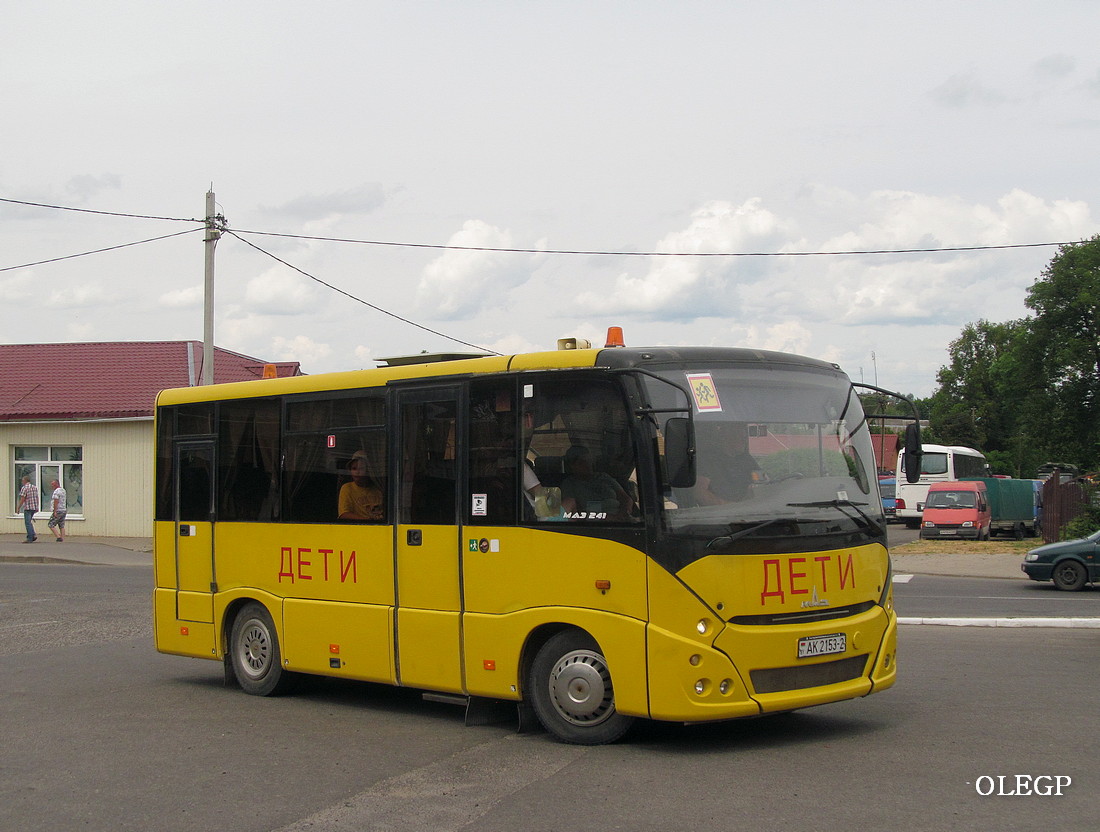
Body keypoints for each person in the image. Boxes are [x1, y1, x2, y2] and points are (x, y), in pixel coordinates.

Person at [693, 422, 764, 504]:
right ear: (725, 436)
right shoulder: (707, 460)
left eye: (744, 435)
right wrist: (729, 506)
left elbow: (761, 482)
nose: (744, 439)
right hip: (718, 514)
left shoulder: (747, 459)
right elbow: (700, 493)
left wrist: (754, 490)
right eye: (739, 434)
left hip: (751, 512)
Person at [560, 445, 634, 520]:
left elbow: (626, 499)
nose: (587, 464)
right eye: (582, 462)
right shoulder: (569, 484)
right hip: (594, 524)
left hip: (620, 521)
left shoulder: (604, 477)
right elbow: (575, 512)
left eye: (589, 460)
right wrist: (607, 518)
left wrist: (623, 513)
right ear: (572, 466)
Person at [338, 451, 383, 521]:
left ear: (368, 470)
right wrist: (367, 520)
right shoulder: (347, 488)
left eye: (361, 468)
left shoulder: (378, 488)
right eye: (354, 468)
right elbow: (344, 514)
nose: (357, 472)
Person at [16, 475, 39, 543]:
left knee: (27, 522)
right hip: (34, 507)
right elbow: (36, 497)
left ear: (25, 481)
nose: (22, 482)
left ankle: (30, 537)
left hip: (28, 507)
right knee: (29, 522)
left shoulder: (24, 488)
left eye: (22, 481)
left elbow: (23, 498)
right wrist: (37, 506)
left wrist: (18, 507)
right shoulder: (34, 487)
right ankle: (33, 535)